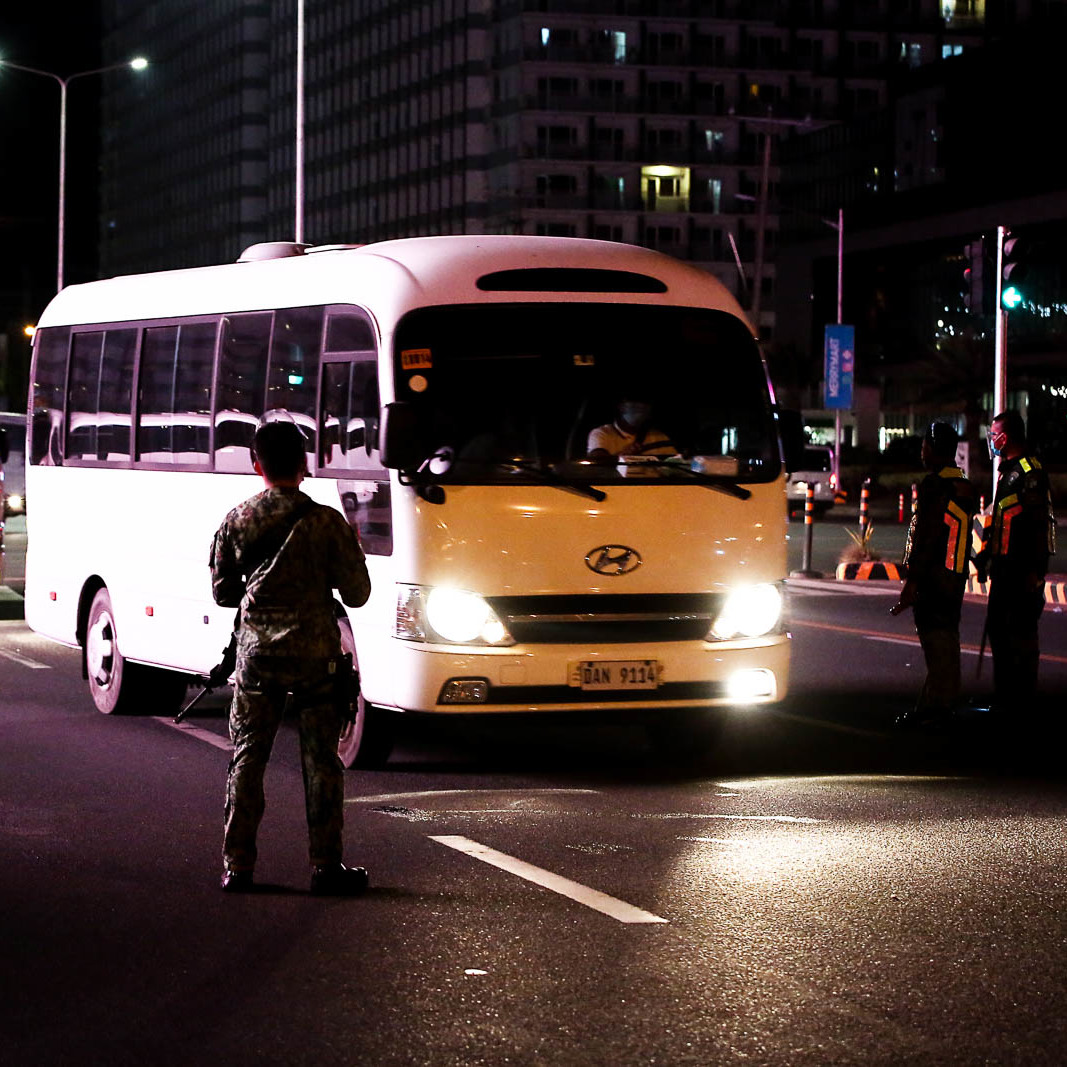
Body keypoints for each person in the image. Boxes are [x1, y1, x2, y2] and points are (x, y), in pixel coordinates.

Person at [209, 420, 372, 894]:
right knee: (322, 761)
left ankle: (237, 866)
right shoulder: (326, 522)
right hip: (316, 657)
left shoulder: (237, 520)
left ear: (256, 464)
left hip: (257, 658)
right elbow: (358, 594)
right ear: (305, 465)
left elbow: (222, 593)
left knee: (247, 759)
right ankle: (325, 866)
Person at [890, 422, 978, 728]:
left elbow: (927, 537)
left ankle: (939, 708)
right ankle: (935, 703)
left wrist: (911, 582)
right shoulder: (965, 485)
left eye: (925, 445)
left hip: (934, 579)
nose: (921, 451)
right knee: (947, 639)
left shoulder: (934, 485)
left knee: (935, 641)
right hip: (956, 577)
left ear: (935, 448)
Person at [974, 410, 1055, 718]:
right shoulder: (1006, 471)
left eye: (994, 435)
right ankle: (1004, 697)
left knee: (1020, 636)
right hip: (1002, 570)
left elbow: (1036, 525)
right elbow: (1000, 522)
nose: (991, 440)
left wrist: (1035, 572)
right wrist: (984, 557)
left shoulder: (1029, 472)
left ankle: (1022, 701)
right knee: (999, 632)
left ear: (1005, 437)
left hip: (1021, 572)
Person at [587, 397, 674, 461]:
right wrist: (623, 456)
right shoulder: (602, 433)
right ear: (621, 407)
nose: (640, 406)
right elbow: (597, 462)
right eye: (634, 404)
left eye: (645, 405)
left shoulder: (659, 437)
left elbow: (674, 463)